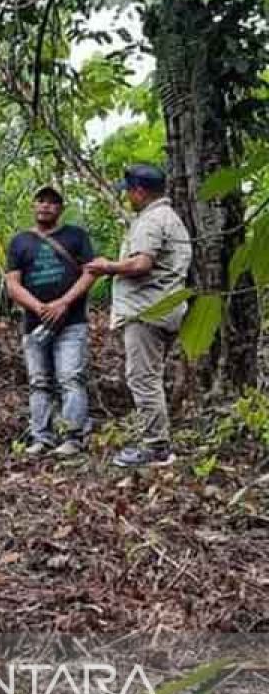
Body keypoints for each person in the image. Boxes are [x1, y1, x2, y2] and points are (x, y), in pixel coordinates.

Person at [86, 164, 192, 468]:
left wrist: (107, 266)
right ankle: (155, 439)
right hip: (163, 309)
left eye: (130, 191)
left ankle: (156, 447)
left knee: (142, 378)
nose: (128, 197)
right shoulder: (170, 218)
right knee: (150, 377)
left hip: (148, 312)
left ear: (140, 191)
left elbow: (141, 264)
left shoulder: (152, 220)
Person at [5, 186, 98, 458]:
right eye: (40, 201)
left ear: (61, 208)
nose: (45, 206)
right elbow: (12, 283)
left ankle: (72, 437)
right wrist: (38, 307)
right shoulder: (20, 241)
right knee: (39, 381)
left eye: (52, 203)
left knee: (71, 378)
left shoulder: (76, 236)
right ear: (33, 206)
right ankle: (41, 438)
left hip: (71, 323)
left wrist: (64, 303)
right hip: (34, 324)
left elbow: (90, 273)